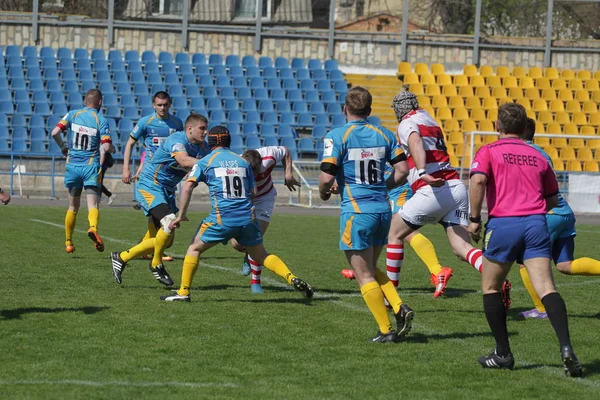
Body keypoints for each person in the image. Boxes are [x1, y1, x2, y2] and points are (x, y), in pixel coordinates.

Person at [468, 103, 582, 377]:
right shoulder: (538, 155)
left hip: (505, 223)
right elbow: (553, 198)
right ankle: (567, 348)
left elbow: (478, 181)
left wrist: (474, 218)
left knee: (491, 287)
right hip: (536, 224)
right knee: (546, 286)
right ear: (524, 128)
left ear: (498, 126)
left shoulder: (488, 151)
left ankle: (503, 354)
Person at [160, 126, 314, 302]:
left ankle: (183, 292)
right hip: (248, 217)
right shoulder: (242, 162)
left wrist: (181, 215)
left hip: (222, 217)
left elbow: (187, 187)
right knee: (261, 255)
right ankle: (291, 277)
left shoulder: (205, 161)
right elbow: (253, 193)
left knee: (194, 248)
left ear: (210, 143)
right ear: (229, 141)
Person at [387, 91, 510, 303]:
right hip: (455, 187)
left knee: (394, 233)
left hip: (434, 189)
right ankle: (498, 280)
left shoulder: (407, 123)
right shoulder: (430, 119)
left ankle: (389, 298)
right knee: (462, 249)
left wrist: (423, 171)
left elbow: (415, 140)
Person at [319, 86, 414, 343]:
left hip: (356, 211)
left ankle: (385, 331)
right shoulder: (384, 134)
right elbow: (403, 171)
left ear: (345, 109)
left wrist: (324, 192)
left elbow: (327, 177)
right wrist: (382, 186)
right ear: (369, 111)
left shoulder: (337, 135)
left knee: (363, 275)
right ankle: (398, 307)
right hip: (383, 210)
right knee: (370, 268)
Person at [110, 114, 210, 286]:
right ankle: (156, 263)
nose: (205, 132)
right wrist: (207, 164)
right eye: (202, 128)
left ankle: (122, 257)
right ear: (190, 129)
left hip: (167, 191)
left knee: (166, 240)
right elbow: (183, 160)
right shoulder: (177, 140)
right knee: (170, 223)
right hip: (150, 185)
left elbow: (207, 166)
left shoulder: (203, 148)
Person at [518, 118, 600, 319]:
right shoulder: (542, 152)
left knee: (524, 261)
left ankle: (542, 309)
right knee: (565, 265)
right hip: (564, 212)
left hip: (549, 213)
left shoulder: (522, 154)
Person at [341, 163, 452, 298]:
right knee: (382, 229)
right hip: (385, 189)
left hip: (398, 188)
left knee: (404, 231)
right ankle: (364, 270)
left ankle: (437, 270)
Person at [231, 146, 301, 294]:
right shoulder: (235, 164)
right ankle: (247, 253)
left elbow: (286, 151)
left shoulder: (269, 156)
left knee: (256, 239)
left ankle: (255, 282)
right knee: (236, 244)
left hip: (265, 199)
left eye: (256, 173)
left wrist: (288, 174)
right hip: (244, 201)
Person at [51, 89, 112, 254]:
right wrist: (110, 148)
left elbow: (54, 132)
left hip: (73, 166)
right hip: (90, 166)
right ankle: (93, 228)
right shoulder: (100, 119)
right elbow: (105, 147)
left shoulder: (72, 114)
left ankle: (68, 242)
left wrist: (63, 147)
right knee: (93, 204)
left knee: (72, 206)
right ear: (100, 103)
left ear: (85, 101)